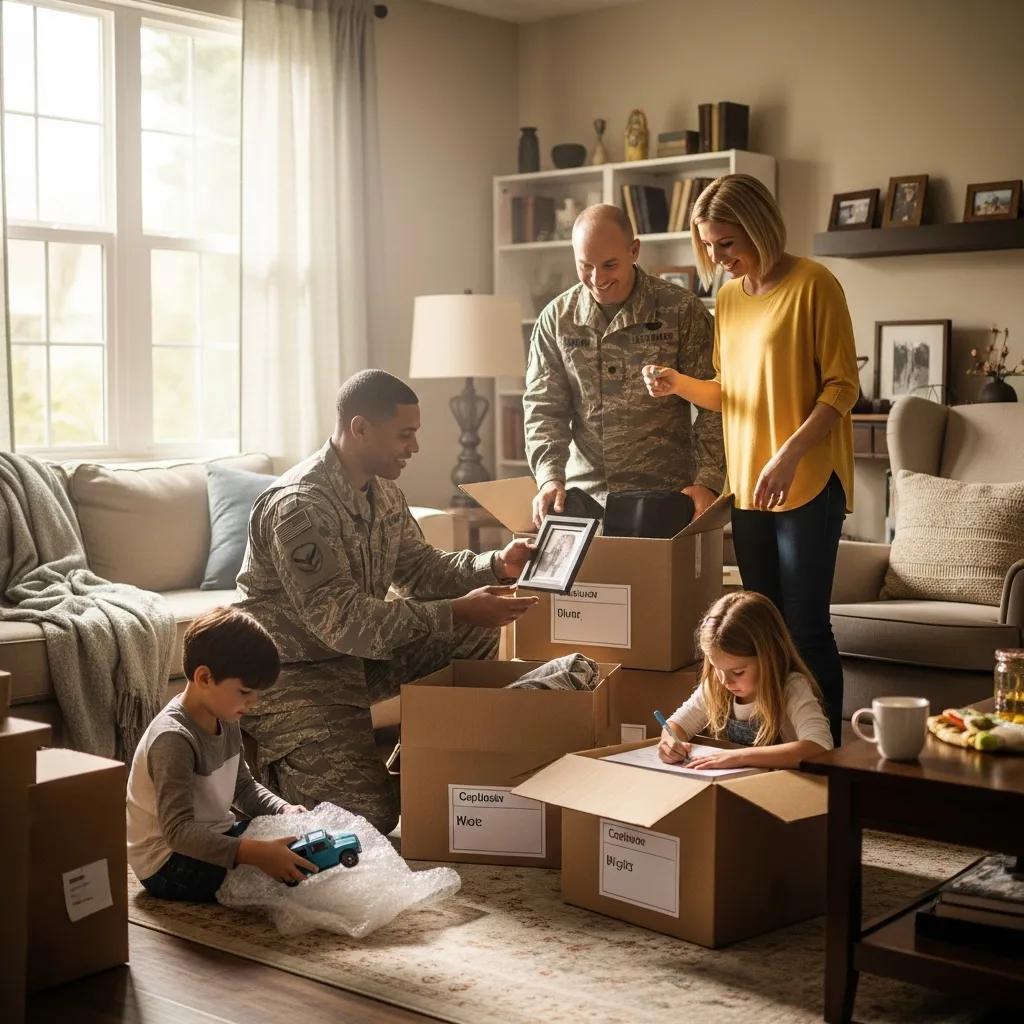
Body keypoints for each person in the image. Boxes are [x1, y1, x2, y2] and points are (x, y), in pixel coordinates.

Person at [236, 369, 538, 834]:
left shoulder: (385, 495)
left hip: (355, 661)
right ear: (360, 429)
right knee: (368, 819)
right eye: (405, 435)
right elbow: (343, 621)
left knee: (475, 627)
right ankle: (262, 780)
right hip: (293, 676)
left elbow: (421, 571)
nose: (413, 448)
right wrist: (456, 609)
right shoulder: (299, 507)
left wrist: (498, 564)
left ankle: (434, 762)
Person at [643, 173, 859, 744]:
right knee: (761, 634)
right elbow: (727, 390)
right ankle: (769, 749)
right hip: (749, 483)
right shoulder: (729, 299)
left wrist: (788, 454)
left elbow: (842, 389)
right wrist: (676, 383)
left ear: (759, 228)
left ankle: (825, 762)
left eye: (727, 244)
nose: (718, 258)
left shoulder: (816, 285)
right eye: (709, 246)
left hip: (806, 478)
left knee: (805, 629)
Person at [524, 203, 725, 529]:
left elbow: (715, 403)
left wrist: (708, 481)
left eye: (609, 265)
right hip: (584, 498)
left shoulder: (680, 310)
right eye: (584, 266)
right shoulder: (557, 319)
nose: (597, 279)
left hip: (668, 497)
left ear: (634, 250)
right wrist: (549, 477)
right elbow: (544, 409)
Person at [126, 607, 315, 901]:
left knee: (295, 847)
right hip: (168, 862)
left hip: (211, 836)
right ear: (204, 677)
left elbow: (243, 788)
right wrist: (255, 853)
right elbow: (177, 833)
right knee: (283, 880)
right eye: (244, 692)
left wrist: (284, 810)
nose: (252, 703)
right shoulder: (173, 739)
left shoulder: (226, 718)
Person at [658, 591, 833, 770]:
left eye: (738, 672)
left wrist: (739, 756)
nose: (725, 680)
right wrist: (670, 742)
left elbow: (819, 747)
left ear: (768, 658)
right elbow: (676, 724)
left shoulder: (791, 687)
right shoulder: (716, 685)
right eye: (717, 668)